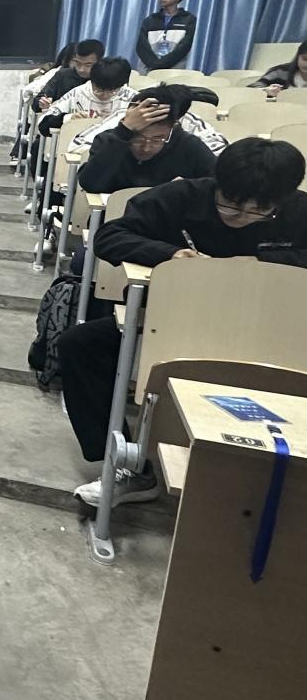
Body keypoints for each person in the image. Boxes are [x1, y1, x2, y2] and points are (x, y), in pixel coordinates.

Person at [59, 138, 307, 507]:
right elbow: (110, 238)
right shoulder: (182, 196)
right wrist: (170, 255)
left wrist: (264, 265)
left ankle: (282, 478)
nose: (240, 216)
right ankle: (131, 466)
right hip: (171, 321)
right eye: (229, 204)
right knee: (79, 347)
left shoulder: (298, 211)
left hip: (270, 332)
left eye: (257, 211)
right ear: (218, 183)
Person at [77, 85, 217, 194]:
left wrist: (191, 187)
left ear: (172, 127)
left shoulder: (188, 145)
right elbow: (90, 184)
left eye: (158, 139)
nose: (146, 148)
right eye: (138, 139)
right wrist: (124, 132)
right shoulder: (109, 140)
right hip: (113, 218)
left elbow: (219, 182)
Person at [39, 57, 136, 135]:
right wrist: (69, 118)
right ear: (91, 81)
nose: (104, 95)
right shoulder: (77, 94)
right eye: (98, 90)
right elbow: (43, 124)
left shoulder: (133, 98)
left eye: (112, 91)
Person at [136, 0, 196, 72]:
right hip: (149, 70)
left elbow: (184, 47)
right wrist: (154, 64)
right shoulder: (150, 20)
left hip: (174, 72)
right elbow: (141, 46)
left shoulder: (188, 19)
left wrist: (162, 64)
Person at [32, 39, 105, 112]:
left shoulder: (104, 78)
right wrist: (41, 103)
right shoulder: (63, 75)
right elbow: (36, 103)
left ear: (99, 62)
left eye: (88, 65)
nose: (81, 69)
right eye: (78, 63)